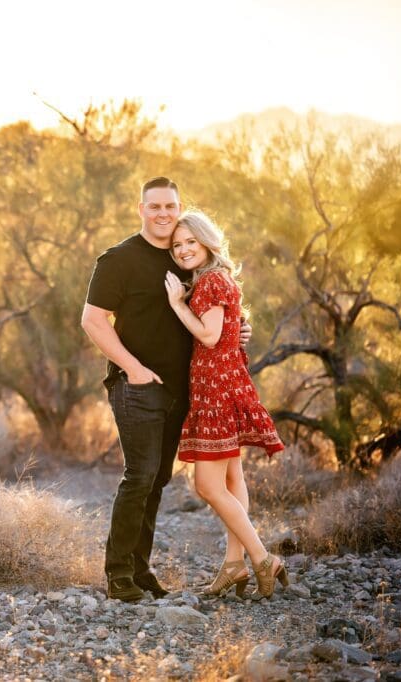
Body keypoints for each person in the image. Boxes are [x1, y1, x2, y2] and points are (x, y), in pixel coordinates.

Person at [81, 177, 250, 602]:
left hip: (184, 389)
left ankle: (141, 571)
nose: (163, 214)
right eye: (154, 206)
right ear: (140, 209)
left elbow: (213, 311)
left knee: (157, 481)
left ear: (179, 210)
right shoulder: (117, 260)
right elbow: (93, 320)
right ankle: (119, 575)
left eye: (170, 207)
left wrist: (237, 331)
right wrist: (133, 369)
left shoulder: (187, 257)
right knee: (138, 477)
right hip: (137, 386)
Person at [163, 210, 287, 599]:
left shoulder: (211, 281)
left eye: (190, 242)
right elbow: (230, 331)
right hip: (226, 383)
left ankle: (263, 559)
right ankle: (235, 565)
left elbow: (211, 335)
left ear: (207, 242)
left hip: (216, 391)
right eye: (177, 245)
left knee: (208, 486)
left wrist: (177, 304)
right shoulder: (219, 279)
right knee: (234, 480)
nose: (183, 250)